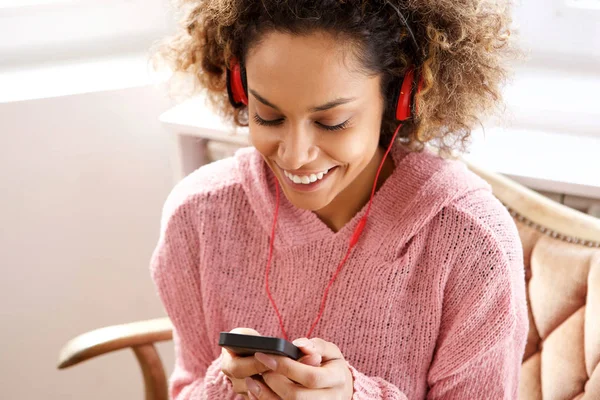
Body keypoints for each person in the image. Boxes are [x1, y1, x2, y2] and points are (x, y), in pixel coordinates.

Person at [149, 0, 528, 398]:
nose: (295, 155)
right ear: (240, 88)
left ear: (401, 96)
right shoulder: (199, 213)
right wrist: (226, 387)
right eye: (268, 116)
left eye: (332, 122)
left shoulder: (471, 242)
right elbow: (186, 387)